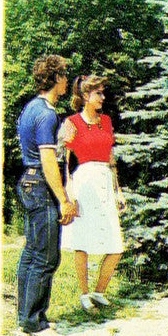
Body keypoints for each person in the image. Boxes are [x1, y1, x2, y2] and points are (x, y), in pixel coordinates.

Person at [14, 54, 73, 336]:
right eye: (64, 75)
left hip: (27, 180)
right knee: (47, 256)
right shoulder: (48, 114)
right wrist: (63, 198)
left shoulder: (30, 108)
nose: (66, 81)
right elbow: (49, 160)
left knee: (31, 253)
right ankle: (34, 325)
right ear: (56, 78)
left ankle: (26, 319)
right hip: (40, 184)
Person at [58, 75, 125, 311]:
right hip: (83, 182)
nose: (103, 97)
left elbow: (111, 158)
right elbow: (63, 162)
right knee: (82, 241)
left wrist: (118, 191)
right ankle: (84, 293)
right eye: (98, 93)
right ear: (85, 96)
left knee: (116, 246)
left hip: (105, 181)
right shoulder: (72, 122)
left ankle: (99, 291)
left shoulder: (106, 121)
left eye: (103, 93)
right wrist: (69, 194)